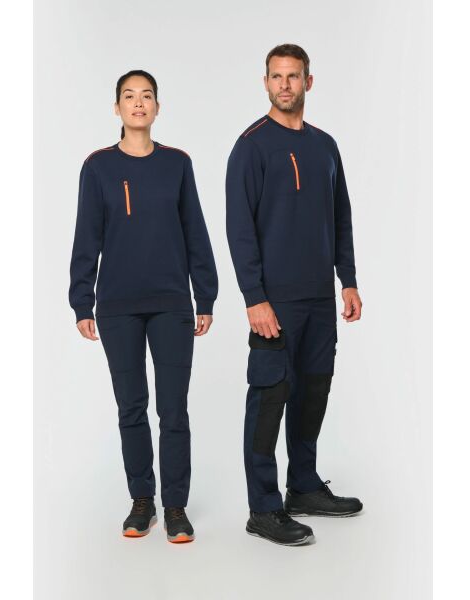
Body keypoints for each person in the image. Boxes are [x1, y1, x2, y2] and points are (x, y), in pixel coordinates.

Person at [69, 69, 218, 544]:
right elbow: (86, 237)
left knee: (173, 409)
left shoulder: (177, 164)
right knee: (131, 407)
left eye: (147, 96)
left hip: (172, 303)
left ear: (157, 107)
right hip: (117, 307)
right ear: (117, 108)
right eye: (129, 96)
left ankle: (175, 506)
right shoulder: (97, 167)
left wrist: (205, 294)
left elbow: (196, 232)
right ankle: (142, 501)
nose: (138, 103)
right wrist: (82, 301)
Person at [226, 44, 363, 546]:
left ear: (308, 81)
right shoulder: (251, 146)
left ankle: (302, 486)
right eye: (277, 76)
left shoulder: (325, 146)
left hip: (320, 299)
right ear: (265, 82)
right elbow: (239, 227)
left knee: (312, 394)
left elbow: (341, 215)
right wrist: (254, 297)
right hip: (275, 301)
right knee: (269, 399)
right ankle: (263, 509)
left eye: (293, 76)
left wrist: (348, 279)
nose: (285, 85)